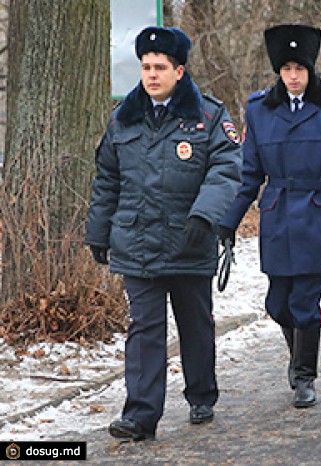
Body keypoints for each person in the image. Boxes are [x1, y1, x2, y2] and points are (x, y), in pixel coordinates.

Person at [85, 26, 242, 440]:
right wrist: (98, 231)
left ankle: (201, 394)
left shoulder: (208, 116)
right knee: (144, 329)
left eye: (160, 67)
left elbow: (226, 171)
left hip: (189, 240)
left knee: (195, 325)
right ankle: (140, 415)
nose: (151, 74)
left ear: (179, 71)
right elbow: (107, 180)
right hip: (137, 243)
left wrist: (204, 217)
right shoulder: (123, 118)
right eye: (146, 67)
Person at [217, 24, 321, 408]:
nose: (294, 76)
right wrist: (228, 221)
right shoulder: (260, 110)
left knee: (304, 303)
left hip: (320, 217)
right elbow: (249, 175)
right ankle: (298, 358)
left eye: (300, 68)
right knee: (278, 305)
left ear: (310, 69)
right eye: (286, 69)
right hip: (278, 216)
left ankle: (304, 376)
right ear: (278, 72)